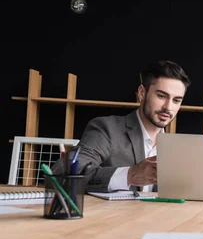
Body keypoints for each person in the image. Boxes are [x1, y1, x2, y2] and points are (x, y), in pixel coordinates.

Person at [52, 60, 190, 192]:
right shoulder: (107, 129)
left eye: (176, 100)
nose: (168, 107)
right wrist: (129, 175)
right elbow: (61, 173)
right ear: (142, 93)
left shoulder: (178, 148)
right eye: (161, 96)